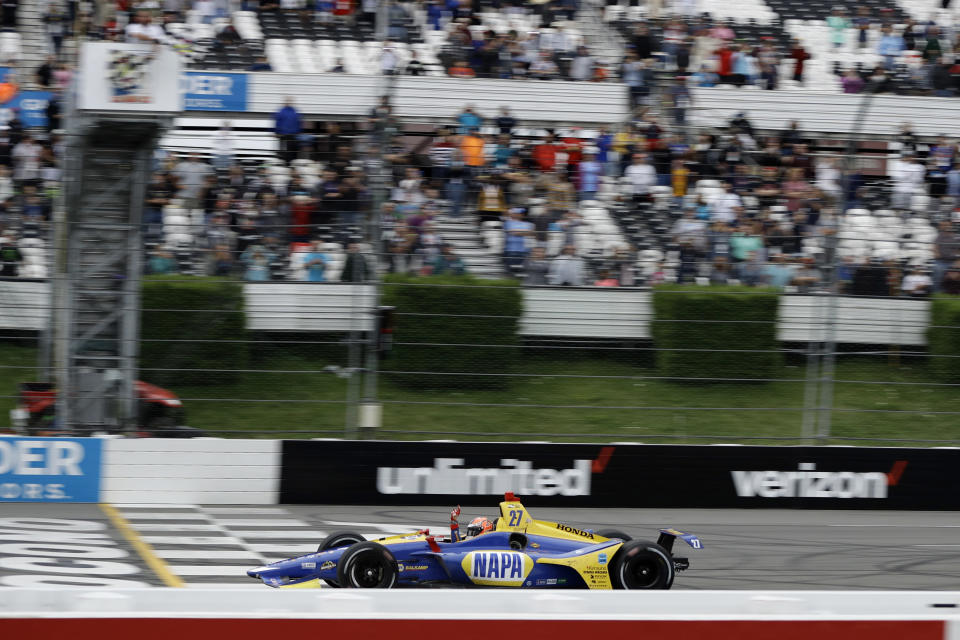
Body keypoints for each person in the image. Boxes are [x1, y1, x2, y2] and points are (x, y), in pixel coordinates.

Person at [274, 98, 302, 164]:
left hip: (292, 135)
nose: (288, 103)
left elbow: (299, 122)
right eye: (287, 101)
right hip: (283, 135)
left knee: (292, 151)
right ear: (285, 102)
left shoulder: (295, 111)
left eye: (290, 101)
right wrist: (277, 132)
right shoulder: (281, 111)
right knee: (284, 151)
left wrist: (299, 132)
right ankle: (284, 164)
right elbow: (278, 122)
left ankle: (290, 165)